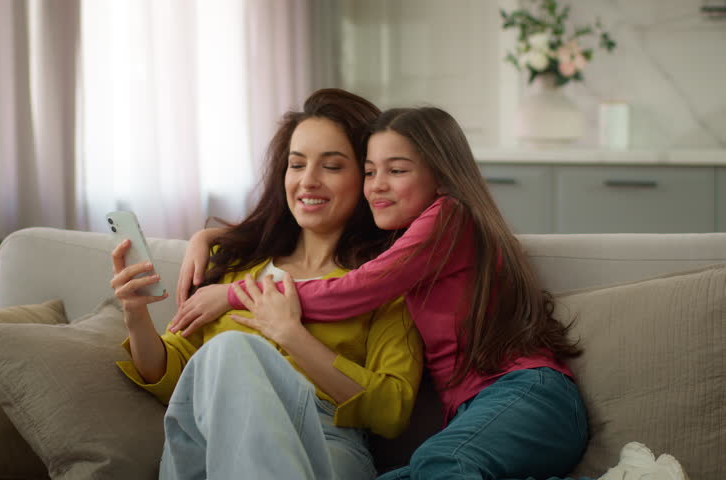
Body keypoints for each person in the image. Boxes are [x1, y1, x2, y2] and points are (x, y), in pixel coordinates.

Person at [169, 107, 689, 480]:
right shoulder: (404, 242)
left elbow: (354, 290)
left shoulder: (447, 219)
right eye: (370, 171)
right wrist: (214, 237)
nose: (377, 185)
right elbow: (294, 235)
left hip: (526, 394)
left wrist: (235, 296)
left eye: (396, 171)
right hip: (480, 415)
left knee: (441, 465)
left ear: (441, 178)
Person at [110, 89, 423, 480]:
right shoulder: (236, 268)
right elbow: (174, 381)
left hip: (324, 442)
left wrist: (291, 335)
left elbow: (392, 411)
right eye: (296, 165)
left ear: (366, 176)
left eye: (332, 166)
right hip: (213, 444)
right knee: (226, 351)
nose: (308, 181)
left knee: (232, 346)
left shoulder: (384, 283)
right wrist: (136, 315)